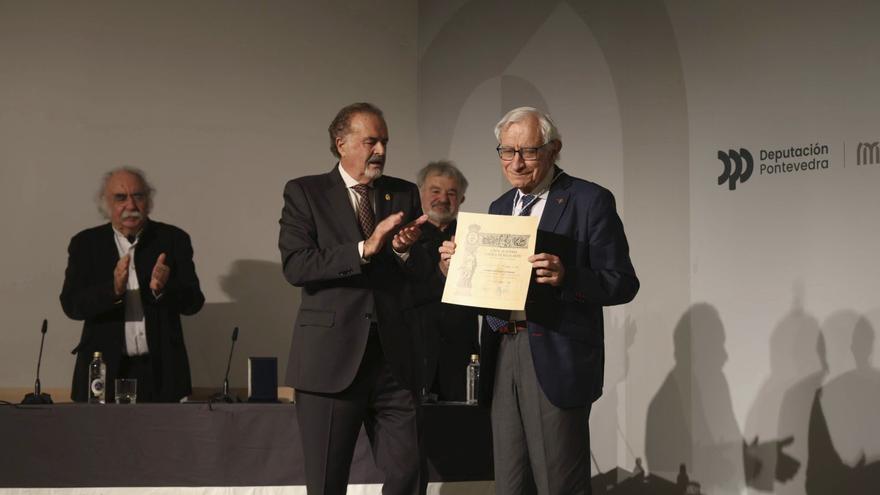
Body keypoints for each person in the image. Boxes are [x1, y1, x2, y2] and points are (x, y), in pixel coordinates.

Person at [439, 107, 639, 494]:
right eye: (506, 151)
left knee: (558, 484)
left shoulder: (588, 200)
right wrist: (458, 270)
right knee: (510, 485)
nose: (516, 162)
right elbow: (492, 292)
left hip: (556, 356)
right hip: (502, 350)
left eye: (528, 151)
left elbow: (622, 282)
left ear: (553, 150)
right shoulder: (499, 208)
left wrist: (568, 277)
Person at [279, 102, 429, 494]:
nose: (379, 150)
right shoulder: (304, 192)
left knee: (408, 473)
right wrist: (365, 248)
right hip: (330, 362)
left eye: (384, 142)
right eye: (370, 141)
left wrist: (403, 250)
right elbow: (297, 266)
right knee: (328, 483)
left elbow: (422, 273)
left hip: (394, 362)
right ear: (341, 143)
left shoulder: (404, 193)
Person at [61, 167, 204, 403]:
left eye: (138, 196)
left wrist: (162, 289)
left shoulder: (173, 239)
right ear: (104, 203)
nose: (131, 205)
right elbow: (72, 305)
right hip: (104, 372)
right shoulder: (85, 244)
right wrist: (113, 290)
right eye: (120, 197)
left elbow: (193, 303)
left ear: (148, 201)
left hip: (161, 373)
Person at [412, 161, 479, 402]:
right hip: (415, 354)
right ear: (420, 192)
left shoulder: (475, 237)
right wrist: (441, 272)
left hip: (461, 354)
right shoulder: (404, 237)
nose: (443, 198)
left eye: (452, 193)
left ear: (461, 200)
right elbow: (405, 295)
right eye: (435, 191)